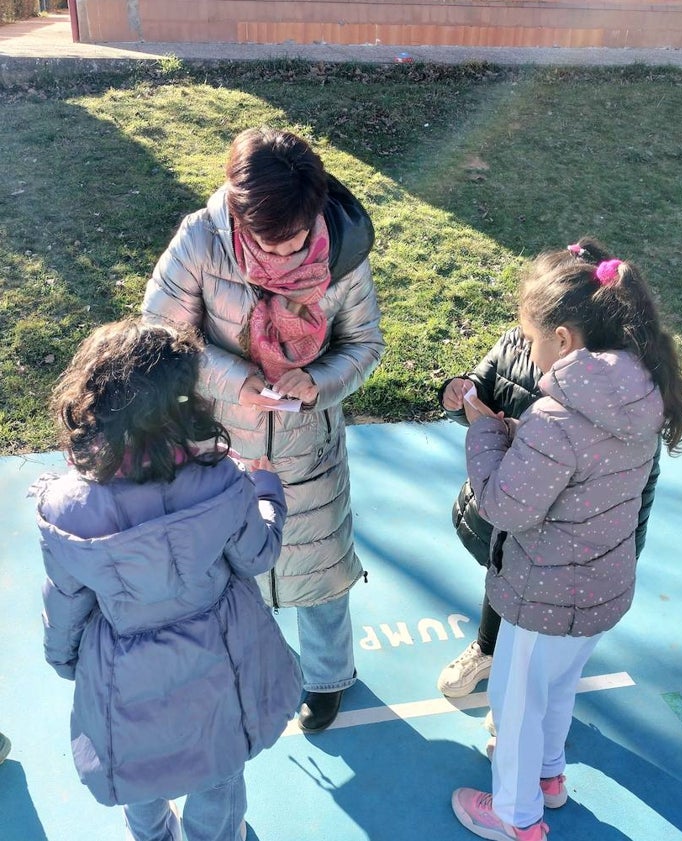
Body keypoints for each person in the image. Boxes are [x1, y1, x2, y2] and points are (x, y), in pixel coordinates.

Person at [450, 238, 682, 841]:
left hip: (543, 593)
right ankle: (551, 777)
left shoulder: (558, 417)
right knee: (558, 690)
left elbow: (506, 502)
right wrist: (520, 435)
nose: (527, 351)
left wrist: (486, 432)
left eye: (531, 338)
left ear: (563, 340)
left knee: (514, 705)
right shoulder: (640, 391)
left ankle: (516, 815)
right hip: (601, 588)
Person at [142, 126, 384, 733]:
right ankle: (248, 666)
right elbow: (161, 336)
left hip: (309, 449)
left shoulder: (343, 253)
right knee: (228, 571)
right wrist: (233, 378)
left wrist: (319, 381)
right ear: (237, 210)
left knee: (320, 573)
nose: (279, 260)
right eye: (264, 244)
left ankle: (328, 678)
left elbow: (365, 344)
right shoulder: (199, 241)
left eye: (295, 243)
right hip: (221, 447)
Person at [31, 319, 301, 841]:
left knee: (140, 774)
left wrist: (64, 659)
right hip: (221, 660)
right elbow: (257, 555)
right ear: (185, 402)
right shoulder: (222, 480)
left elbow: (65, 598)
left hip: (124, 670)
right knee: (219, 771)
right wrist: (267, 490)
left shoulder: (67, 507)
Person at [436, 323, 661, 701]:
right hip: (508, 519)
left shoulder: (618, 396)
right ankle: (489, 650)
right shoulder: (518, 339)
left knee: (535, 673)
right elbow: (480, 393)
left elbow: (639, 484)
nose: (524, 338)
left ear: (563, 336)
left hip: (562, 549)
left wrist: (627, 546)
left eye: (530, 330)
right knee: (503, 582)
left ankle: (521, 697)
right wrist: (459, 396)